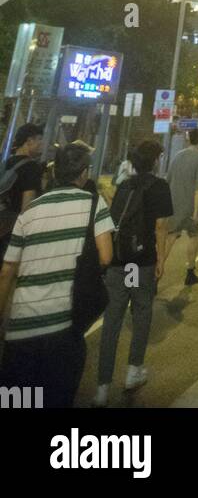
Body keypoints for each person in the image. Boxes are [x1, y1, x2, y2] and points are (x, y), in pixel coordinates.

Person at [0, 141, 113, 409]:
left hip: (20, 330)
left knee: (20, 403)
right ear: (84, 173)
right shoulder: (93, 204)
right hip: (63, 328)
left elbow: (7, 272)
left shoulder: (30, 212)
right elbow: (106, 256)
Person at [94, 139, 173, 406]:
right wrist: (161, 258)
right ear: (156, 161)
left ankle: (102, 388)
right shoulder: (160, 186)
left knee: (112, 322)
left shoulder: (124, 185)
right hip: (141, 261)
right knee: (141, 313)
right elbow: (161, 227)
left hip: (121, 262)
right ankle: (132, 372)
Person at [165, 126, 198, 285]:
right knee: (193, 236)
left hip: (173, 204)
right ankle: (190, 272)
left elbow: (168, 180)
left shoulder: (177, 156)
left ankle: (157, 273)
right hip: (190, 206)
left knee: (169, 238)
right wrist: (196, 212)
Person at [0, 122, 45, 262]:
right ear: (29, 141)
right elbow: (27, 206)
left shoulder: (6, 163)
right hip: (12, 230)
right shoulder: (31, 167)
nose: (41, 144)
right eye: (39, 140)